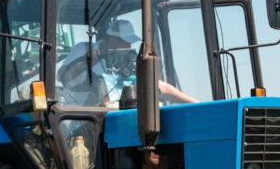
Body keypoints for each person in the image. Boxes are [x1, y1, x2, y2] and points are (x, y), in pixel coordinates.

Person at [57, 19, 197, 107]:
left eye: (129, 43)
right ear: (111, 40)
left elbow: (157, 86)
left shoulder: (127, 62)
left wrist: (195, 103)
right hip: (81, 118)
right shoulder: (84, 49)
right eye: (125, 42)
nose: (128, 47)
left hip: (113, 116)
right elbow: (63, 76)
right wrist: (97, 56)